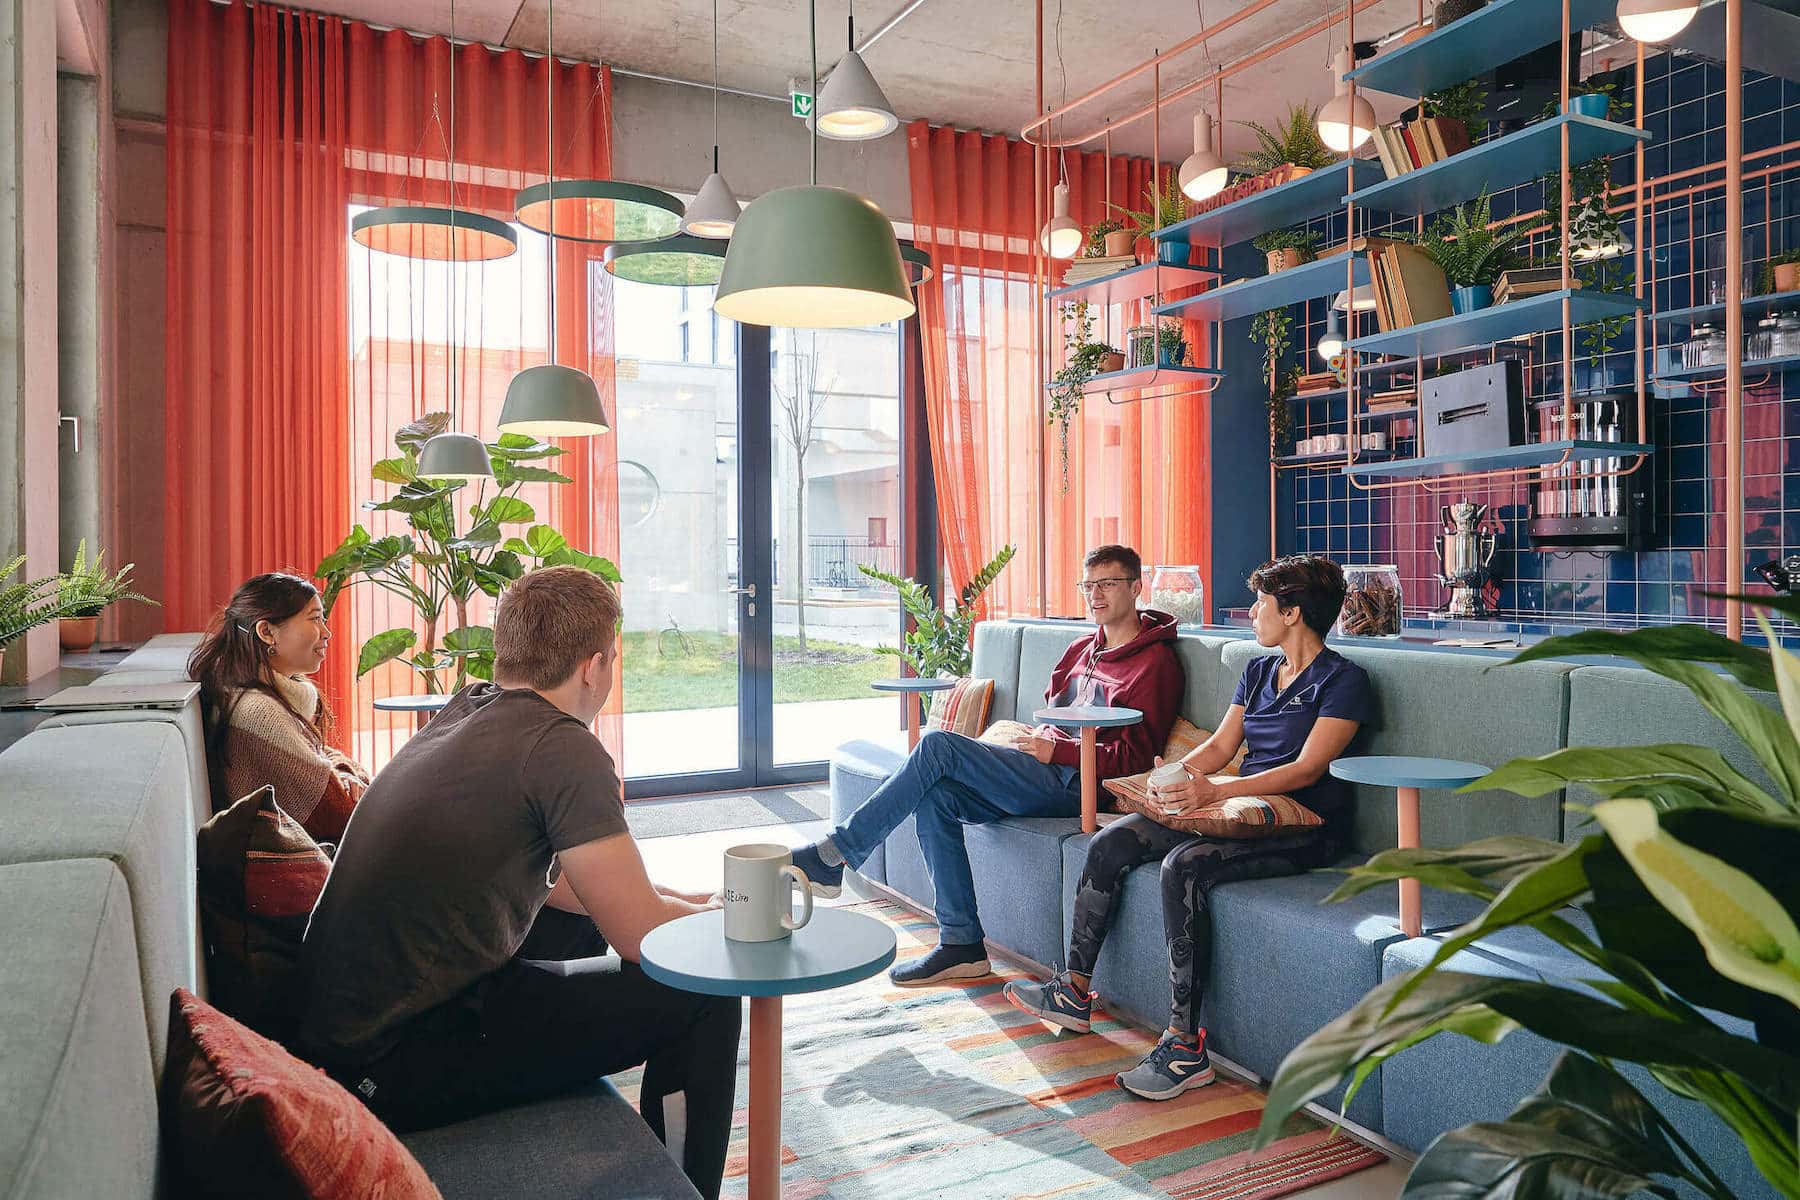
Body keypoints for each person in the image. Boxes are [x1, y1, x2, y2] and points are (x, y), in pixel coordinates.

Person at [298, 566, 741, 1200]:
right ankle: (687, 1189)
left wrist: (688, 903)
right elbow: (642, 937)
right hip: (391, 1064)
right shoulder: (563, 747)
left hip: (344, 1033)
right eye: (612, 659)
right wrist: (717, 922)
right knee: (703, 993)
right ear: (593, 666)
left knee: (574, 923)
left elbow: (570, 883)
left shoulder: (468, 710)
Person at [1004, 555, 1372, 1102]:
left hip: (1304, 826)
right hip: (1237, 810)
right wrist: (1175, 775)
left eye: (1261, 604)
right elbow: (1223, 747)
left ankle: (1183, 1047)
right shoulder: (1259, 670)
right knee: (1111, 843)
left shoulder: (1345, 682)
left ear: (1292, 613)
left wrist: (1215, 791)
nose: (1251, 614)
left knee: (1184, 868)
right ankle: (1073, 994)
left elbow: (1306, 770)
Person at [790, 545, 1184, 987]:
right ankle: (962, 944)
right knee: (935, 796)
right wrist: (1038, 745)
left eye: (1108, 584)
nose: (1096, 595)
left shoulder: (1156, 664)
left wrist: (1059, 753)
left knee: (937, 747)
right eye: (1088, 585)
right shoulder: (1078, 651)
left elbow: (1134, 760)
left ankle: (834, 854)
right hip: (1042, 771)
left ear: (1136, 587)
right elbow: (1054, 718)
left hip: (1084, 785)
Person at [188, 572, 369, 843]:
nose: (327, 633)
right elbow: (341, 814)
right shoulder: (259, 713)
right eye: (314, 619)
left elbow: (320, 755)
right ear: (266, 632)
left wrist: (340, 771)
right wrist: (346, 775)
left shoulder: (254, 691)